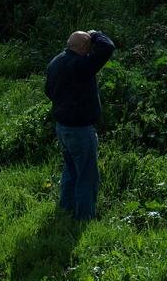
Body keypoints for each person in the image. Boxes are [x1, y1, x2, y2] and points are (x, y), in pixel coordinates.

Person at [44, 29, 115, 220]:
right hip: (80, 130)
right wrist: (96, 34)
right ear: (84, 47)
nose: (91, 50)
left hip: (62, 127)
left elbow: (48, 91)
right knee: (87, 175)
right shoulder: (81, 65)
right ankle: (84, 217)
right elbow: (107, 47)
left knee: (71, 171)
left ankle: (66, 209)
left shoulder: (56, 62)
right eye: (89, 46)